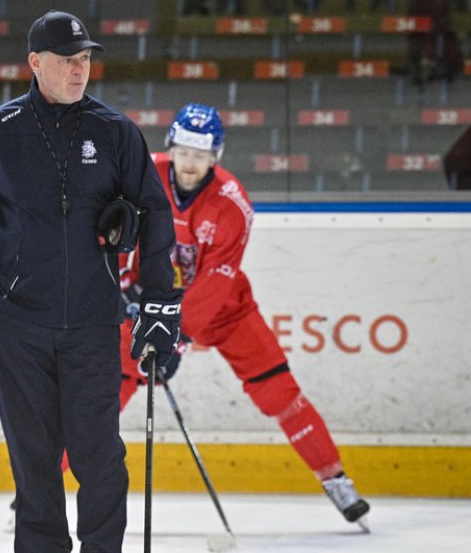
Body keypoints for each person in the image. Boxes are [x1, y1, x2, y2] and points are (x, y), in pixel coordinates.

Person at [0, 10, 180, 552]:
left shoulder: (115, 131)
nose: (80, 70)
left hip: (94, 325)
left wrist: (160, 304)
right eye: (68, 60)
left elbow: (155, 215)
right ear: (34, 62)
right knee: (35, 468)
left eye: (86, 60)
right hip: (18, 330)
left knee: (100, 462)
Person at [115, 103, 371, 527]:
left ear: (216, 156)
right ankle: (43, 482)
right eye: (183, 151)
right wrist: (125, 282)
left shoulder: (233, 204)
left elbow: (216, 281)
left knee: (280, 393)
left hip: (225, 313)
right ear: (171, 147)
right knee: (109, 388)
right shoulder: (144, 175)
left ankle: (336, 479)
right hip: (151, 305)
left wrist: (177, 335)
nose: (190, 162)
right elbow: (117, 230)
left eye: (201, 154)